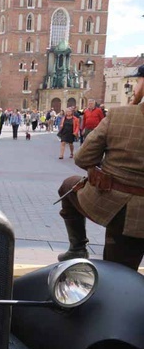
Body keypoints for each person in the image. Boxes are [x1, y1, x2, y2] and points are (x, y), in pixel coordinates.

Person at [56, 65, 144, 269]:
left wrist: (94, 169)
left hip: (122, 210)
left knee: (119, 275)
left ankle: (77, 247)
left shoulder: (120, 116)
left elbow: (83, 157)